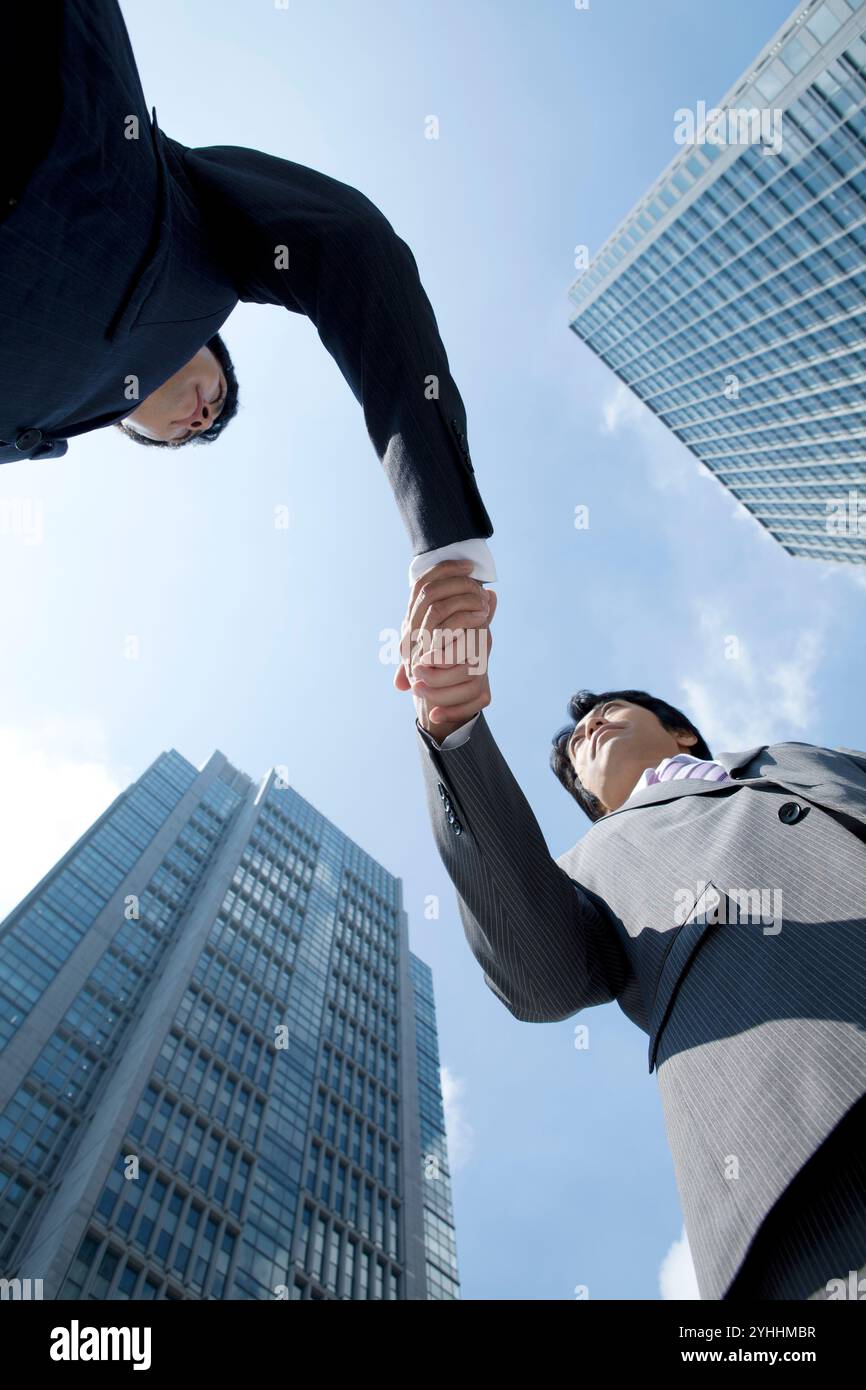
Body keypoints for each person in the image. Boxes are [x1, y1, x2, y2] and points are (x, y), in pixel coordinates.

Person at [396, 559, 866, 1301]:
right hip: (819, 1169)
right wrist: (452, 728)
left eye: (606, 711)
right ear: (587, 798)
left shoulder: (804, 757)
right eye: (575, 747)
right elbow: (539, 977)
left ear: (679, 730)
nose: (586, 727)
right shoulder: (588, 869)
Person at [1, 0, 495, 598]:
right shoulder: (207, 254)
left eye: (187, 435)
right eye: (219, 392)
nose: (203, 417)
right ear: (209, 340)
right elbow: (347, 244)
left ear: (132, 432)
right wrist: (448, 549)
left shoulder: (32, 439)